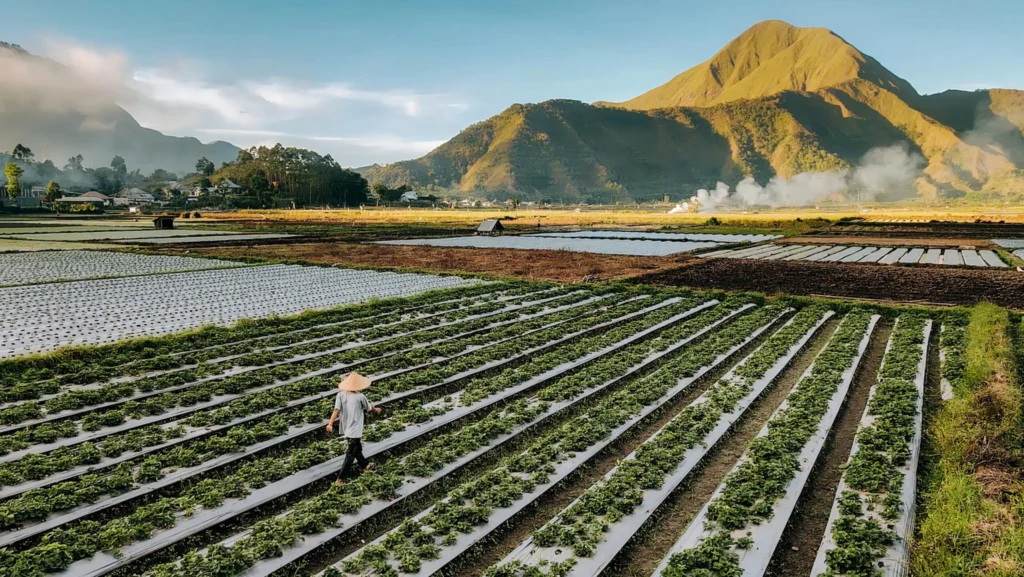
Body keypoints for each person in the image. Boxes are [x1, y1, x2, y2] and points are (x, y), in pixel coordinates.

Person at [327, 372, 381, 485]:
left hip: (346, 427)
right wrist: (376, 410)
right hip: (355, 429)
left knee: (357, 447)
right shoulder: (361, 397)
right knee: (351, 454)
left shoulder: (340, 395)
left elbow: (336, 410)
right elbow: (369, 408)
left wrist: (330, 424)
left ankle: (365, 465)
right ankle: (340, 479)